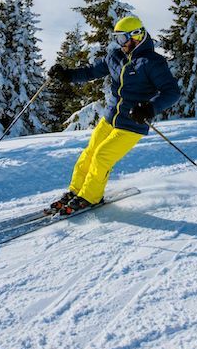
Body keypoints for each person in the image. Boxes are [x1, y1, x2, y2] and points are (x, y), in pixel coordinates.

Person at [47, 15, 180, 214]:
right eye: (117, 38)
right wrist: (66, 75)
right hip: (110, 118)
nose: (120, 43)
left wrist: (149, 108)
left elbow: (172, 92)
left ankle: (90, 197)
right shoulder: (115, 57)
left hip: (133, 123)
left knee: (102, 156)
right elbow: (90, 72)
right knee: (89, 154)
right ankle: (76, 191)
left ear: (137, 36)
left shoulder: (152, 62)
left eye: (123, 38)